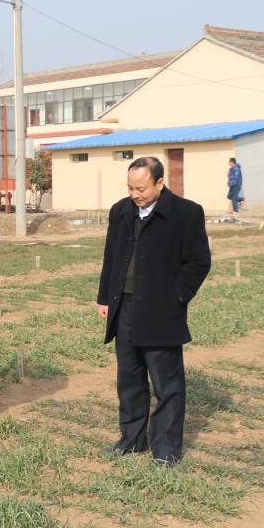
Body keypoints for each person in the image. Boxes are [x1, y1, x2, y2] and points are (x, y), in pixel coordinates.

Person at [96, 156, 211, 466]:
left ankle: (166, 449)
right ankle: (131, 440)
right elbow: (111, 256)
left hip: (162, 310)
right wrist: (105, 298)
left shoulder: (186, 213)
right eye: (131, 188)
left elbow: (199, 261)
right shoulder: (121, 211)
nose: (135, 195)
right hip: (125, 308)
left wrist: (177, 296)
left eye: (142, 189)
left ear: (160, 182)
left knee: (166, 384)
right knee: (129, 379)